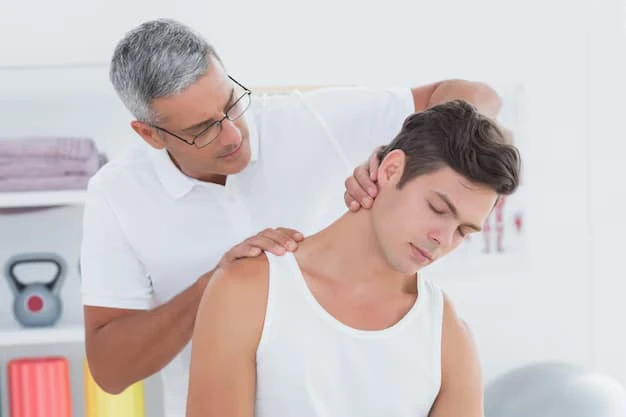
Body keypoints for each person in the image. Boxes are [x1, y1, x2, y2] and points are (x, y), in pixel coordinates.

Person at [79, 18, 505, 417]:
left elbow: (478, 96)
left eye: (231, 103)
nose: (233, 133)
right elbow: (111, 370)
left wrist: (399, 150)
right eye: (202, 129)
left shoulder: (308, 122)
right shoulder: (117, 196)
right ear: (150, 134)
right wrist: (211, 287)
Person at [186, 100, 522, 417]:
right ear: (391, 170)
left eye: (463, 231)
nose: (444, 239)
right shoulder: (249, 292)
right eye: (437, 209)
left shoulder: (448, 338)